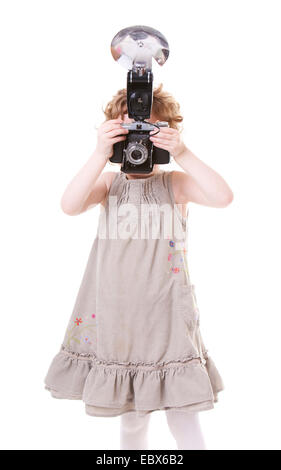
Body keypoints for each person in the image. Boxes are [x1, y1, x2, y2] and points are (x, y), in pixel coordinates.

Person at [44, 83, 233, 450]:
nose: (140, 145)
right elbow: (69, 204)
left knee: (183, 413)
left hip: (167, 317)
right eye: (130, 133)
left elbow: (222, 196)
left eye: (150, 134)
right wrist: (99, 152)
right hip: (119, 318)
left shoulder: (173, 185)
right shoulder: (108, 185)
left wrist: (183, 152)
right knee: (131, 416)